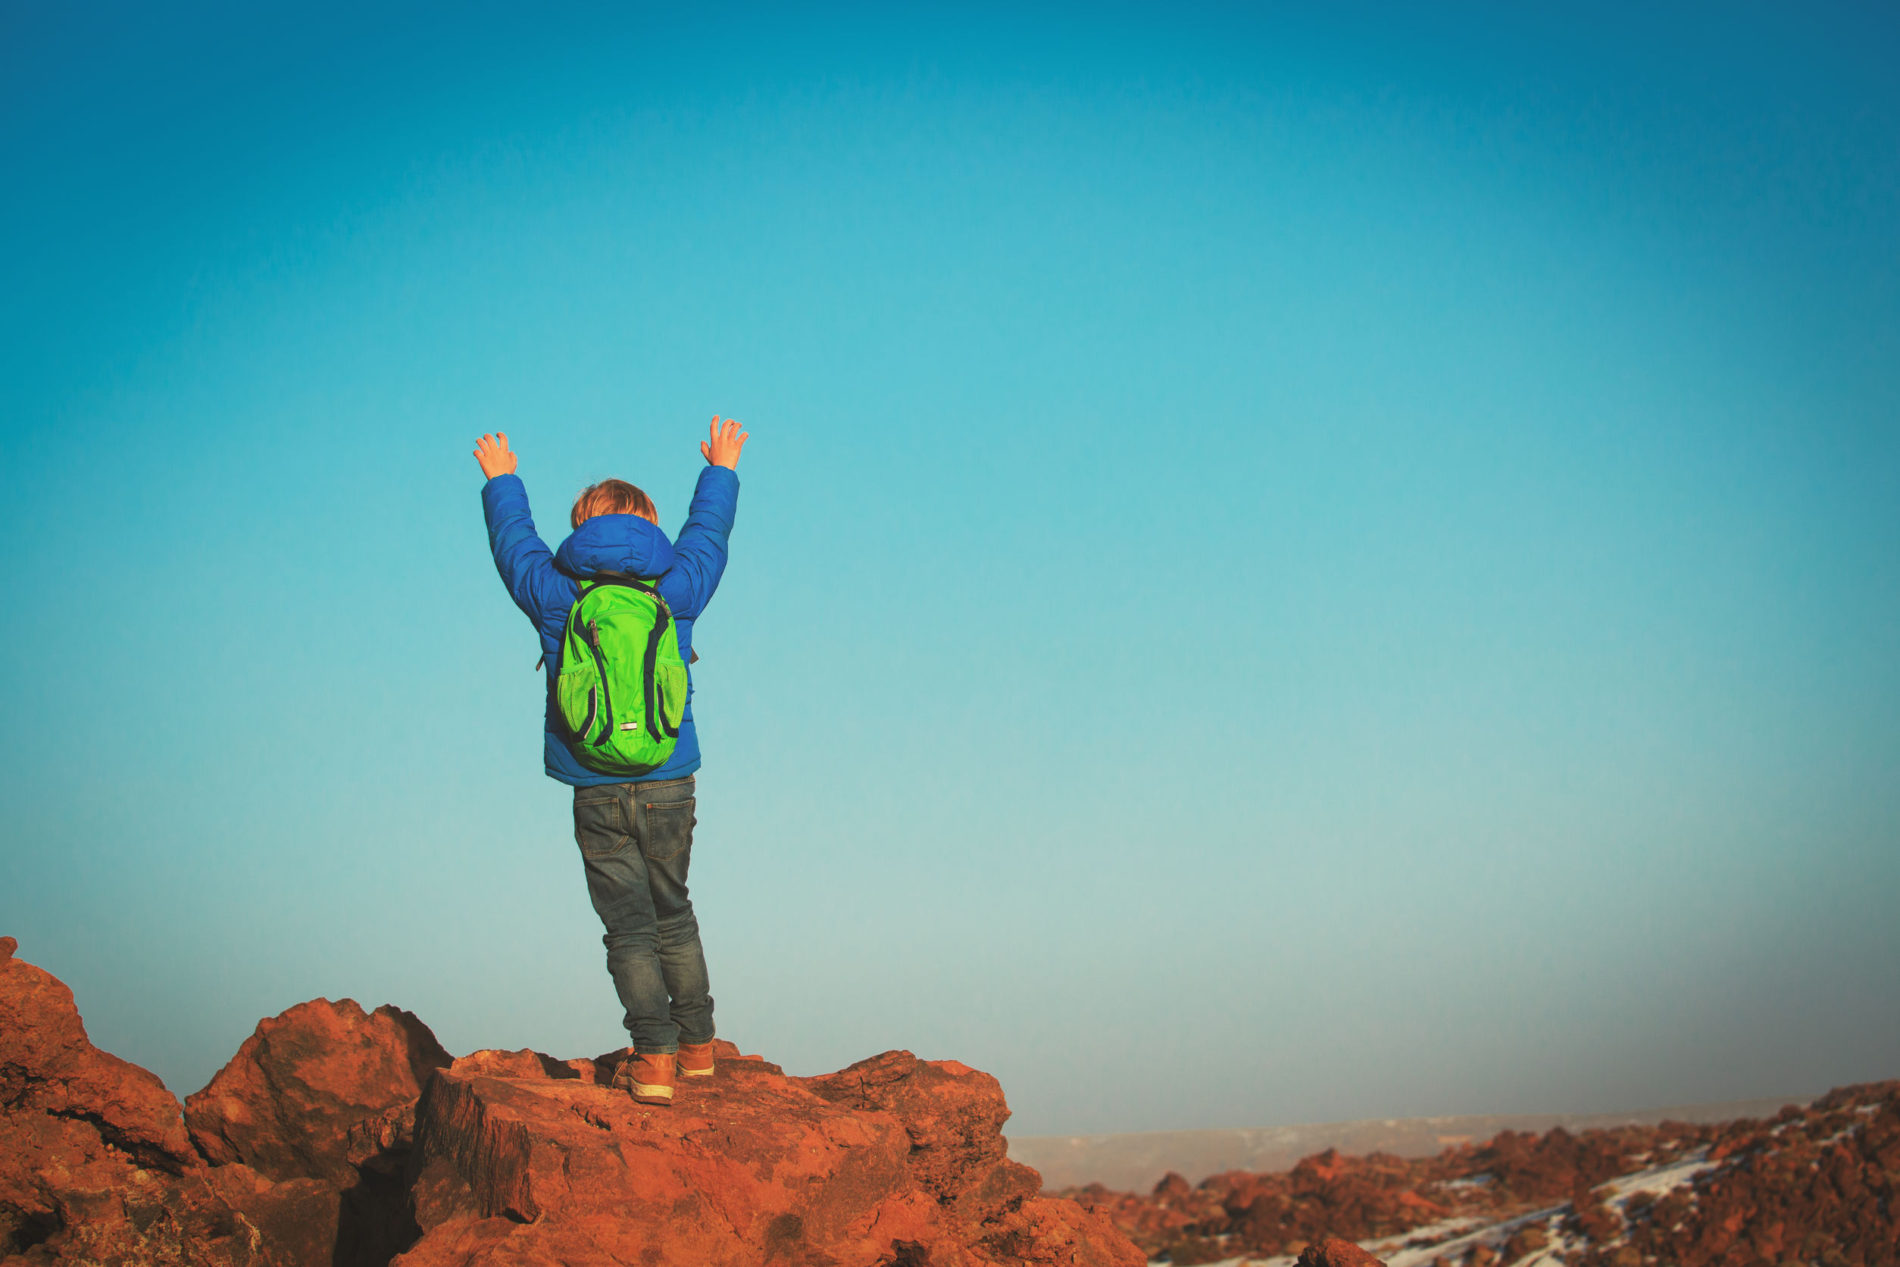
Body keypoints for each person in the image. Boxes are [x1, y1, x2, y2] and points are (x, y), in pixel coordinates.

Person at [473, 417, 748, 1105]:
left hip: (592, 783)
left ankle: (653, 1061)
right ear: (650, 523)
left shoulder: (557, 593)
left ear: (579, 524)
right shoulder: (674, 586)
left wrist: (502, 478)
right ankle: (700, 1047)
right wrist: (720, 468)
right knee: (674, 913)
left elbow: (514, 546)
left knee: (627, 927)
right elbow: (708, 536)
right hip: (668, 779)